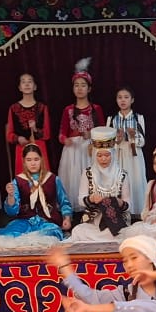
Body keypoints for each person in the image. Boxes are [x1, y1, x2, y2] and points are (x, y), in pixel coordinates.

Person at [0, 144, 72, 240]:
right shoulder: (18, 181)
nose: (33, 163)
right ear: (24, 162)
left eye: (36, 159)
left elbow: (64, 202)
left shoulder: (53, 179)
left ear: (42, 160)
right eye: (29, 160)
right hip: (24, 222)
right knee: (12, 237)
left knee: (46, 238)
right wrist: (10, 196)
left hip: (48, 222)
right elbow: (12, 212)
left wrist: (67, 218)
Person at [57, 57, 104, 212]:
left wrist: (90, 134)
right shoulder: (68, 110)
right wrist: (65, 140)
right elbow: (61, 134)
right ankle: (73, 210)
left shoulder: (96, 109)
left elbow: (103, 131)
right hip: (73, 151)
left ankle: (92, 207)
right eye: (76, 85)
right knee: (73, 179)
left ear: (89, 89)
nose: (79, 88)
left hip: (90, 149)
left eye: (83, 85)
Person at [75, 126, 131, 236]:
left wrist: (119, 202)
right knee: (78, 231)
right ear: (94, 155)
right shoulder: (88, 173)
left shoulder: (122, 174)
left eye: (107, 155)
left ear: (113, 154)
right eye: (99, 156)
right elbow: (80, 200)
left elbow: (129, 204)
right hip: (93, 220)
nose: (103, 159)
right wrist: (92, 198)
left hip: (116, 220)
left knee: (116, 233)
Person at [107, 88, 147, 217]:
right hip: (118, 155)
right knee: (119, 181)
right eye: (120, 97)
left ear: (132, 100)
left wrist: (131, 136)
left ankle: (136, 211)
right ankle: (120, 211)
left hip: (133, 155)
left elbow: (142, 141)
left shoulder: (138, 118)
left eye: (126, 97)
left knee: (135, 179)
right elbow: (108, 142)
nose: (123, 100)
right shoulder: (112, 119)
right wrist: (116, 140)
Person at [5, 72, 52, 175]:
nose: (27, 84)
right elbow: (9, 135)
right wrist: (18, 138)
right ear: (19, 88)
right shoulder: (13, 108)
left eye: (29, 81)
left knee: (41, 179)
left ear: (35, 87)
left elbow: (47, 134)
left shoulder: (42, 107)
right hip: (22, 149)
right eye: (23, 82)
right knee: (24, 180)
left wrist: (35, 129)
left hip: (39, 148)